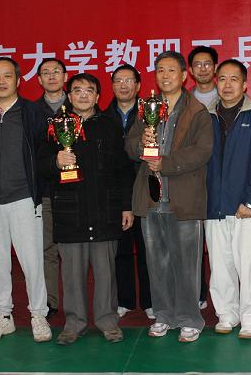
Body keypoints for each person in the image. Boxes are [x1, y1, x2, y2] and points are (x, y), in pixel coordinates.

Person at [37, 73, 134, 345]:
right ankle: (74, 323)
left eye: (89, 90)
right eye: (77, 90)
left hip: (105, 211)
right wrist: (56, 161)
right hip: (70, 212)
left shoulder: (110, 126)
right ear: (69, 96)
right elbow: (40, 164)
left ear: (98, 96)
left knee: (106, 274)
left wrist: (126, 206)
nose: (82, 95)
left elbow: (124, 170)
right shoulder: (55, 126)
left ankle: (108, 322)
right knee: (71, 274)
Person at [125, 50, 213, 343]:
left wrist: (166, 163)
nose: (165, 76)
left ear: (184, 75)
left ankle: (190, 319)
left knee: (186, 264)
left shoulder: (197, 111)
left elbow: (202, 152)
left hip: (183, 198)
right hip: (151, 198)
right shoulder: (146, 107)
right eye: (160, 70)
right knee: (156, 262)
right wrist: (142, 145)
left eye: (171, 70)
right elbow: (130, 145)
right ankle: (163, 315)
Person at [0, 57, 51, 343]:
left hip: (24, 199)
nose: (1, 81)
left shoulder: (33, 113)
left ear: (18, 80)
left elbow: (43, 153)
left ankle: (38, 314)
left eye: (7, 76)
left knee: (32, 261)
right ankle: (3, 316)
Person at [205, 59, 251, 339]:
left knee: (250, 266)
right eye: (222, 79)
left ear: (245, 85)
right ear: (216, 83)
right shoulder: (205, 117)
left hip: (246, 208)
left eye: (234, 79)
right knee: (220, 266)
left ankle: (250, 319)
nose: (227, 85)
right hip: (214, 206)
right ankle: (227, 314)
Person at [104, 65, 154, 320]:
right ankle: (124, 299)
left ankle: (150, 301)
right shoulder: (102, 116)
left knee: (147, 248)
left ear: (138, 85)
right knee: (120, 249)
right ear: (112, 86)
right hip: (114, 192)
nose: (123, 85)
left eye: (129, 80)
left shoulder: (150, 112)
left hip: (144, 187)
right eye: (118, 80)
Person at [34, 58, 69, 319]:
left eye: (56, 71)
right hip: (46, 190)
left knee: (74, 250)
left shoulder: (79, 104)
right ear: (39, 80)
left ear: (65, 76)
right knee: (48, 250)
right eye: (46, 73)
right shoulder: (31, 111)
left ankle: (76, 302)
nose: (52, 76)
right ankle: (51, 302)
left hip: (75, 190)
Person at [187, 44, 218, 309]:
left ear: (215, 67)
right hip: (190, 181)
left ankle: (224, 298)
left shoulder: (229, 95)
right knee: (192, 243)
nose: (203, 68)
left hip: (220, 180)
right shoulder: (183, 102)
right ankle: (197, 293)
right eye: (198, 64)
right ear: (190, 70)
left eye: (207, 63)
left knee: (220, 246)